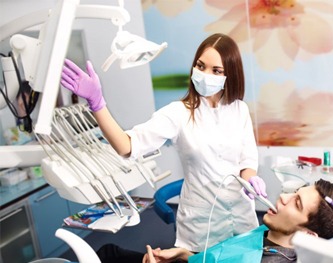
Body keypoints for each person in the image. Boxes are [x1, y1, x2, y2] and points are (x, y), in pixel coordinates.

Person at [60, 33, 267, 252]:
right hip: (201, 228)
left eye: (216, 71)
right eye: (200, 66)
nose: (205, 75)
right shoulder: (178, 113)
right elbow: (126, 146)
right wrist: (97, 103)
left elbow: (246, 160)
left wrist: (251, 178)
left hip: (242, 220)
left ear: (230, 74)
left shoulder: (239, 110)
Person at [137, 179, 333, 263]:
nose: (283, 197)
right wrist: (184, 255)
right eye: (294, 192)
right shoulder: (271, 234)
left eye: (296, 203)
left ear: (308, 234)